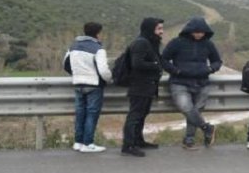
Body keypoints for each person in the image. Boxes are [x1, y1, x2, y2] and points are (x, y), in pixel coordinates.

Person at [162, 17, 222, 150]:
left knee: (195, 111)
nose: (199, 34)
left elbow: (217, 61)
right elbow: (164, 59)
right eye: (196, 31)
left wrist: (210, 69)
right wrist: (175, 70)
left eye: (202, 32)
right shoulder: (176, 43)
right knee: (186, 107)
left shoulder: (208, 44)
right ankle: (207, 128)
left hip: (202, 83)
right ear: (189, 30)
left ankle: (189, 141)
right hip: (180, 82)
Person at [121, 17, 170, 157]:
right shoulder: (141, 43)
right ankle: (128, 145)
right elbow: (137, 63)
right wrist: (156, 66)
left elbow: (161, 61)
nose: (161, 31)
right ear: (150, 29)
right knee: (135, 115)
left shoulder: (150, 43)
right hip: (140, 86)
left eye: (162, 28)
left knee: (142, 115)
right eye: (159, 28)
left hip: (148, 86)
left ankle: (138, 141)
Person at [64, 22, 112, 153]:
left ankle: (78, 142)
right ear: (98, 33)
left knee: (80, 114)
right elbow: (103, 70)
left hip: (78, 83)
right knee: (91, 114)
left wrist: (76, 74)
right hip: (93, 85)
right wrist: (109, 79)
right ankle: (88, 143)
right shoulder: (98, 48)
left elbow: (66, 64)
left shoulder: (73, 46)